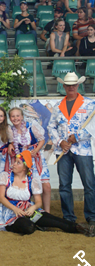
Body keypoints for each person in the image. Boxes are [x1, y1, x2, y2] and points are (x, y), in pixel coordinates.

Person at [0, 150, 92, 236]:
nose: (14, 164)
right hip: (11, 213)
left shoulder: (32, 181)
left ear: (24, 168)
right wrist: (15, 209)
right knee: (28, 227)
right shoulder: (5, 177)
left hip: (27, 210)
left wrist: (32, 208)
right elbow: (1, 197)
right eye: (15, 162)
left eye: (18, 163)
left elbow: (38, 202)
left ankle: (79, 228)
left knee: (55, 221)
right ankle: (20, 225)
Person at [48, 72, 95, 228]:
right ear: (64, 86)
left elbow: (93, 126)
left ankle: (92, 216)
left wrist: (78, 136)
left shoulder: (89, 104)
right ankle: (68, 217)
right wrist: (60, 141)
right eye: (68, 85)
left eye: (74, 85)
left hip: (83, 150)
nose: (71, 87)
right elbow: (51, 127)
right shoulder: (57, 106)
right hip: (64, 152)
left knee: (89, 184)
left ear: (78, 85)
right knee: (64, 185)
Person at [8, 107, 51, 213]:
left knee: (46, 185)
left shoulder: (31, 126)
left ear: (22, 117)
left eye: (18, 115)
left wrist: (35, 150)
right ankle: (31, 210)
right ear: (10, 118)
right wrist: (10, 145)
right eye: (13, 116)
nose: (15, 118)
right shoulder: (10, 130)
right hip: (22, 160)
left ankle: (47, 213)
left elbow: (42, 140)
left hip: (35, 158)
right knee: (30, 185)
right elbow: (11, 142)